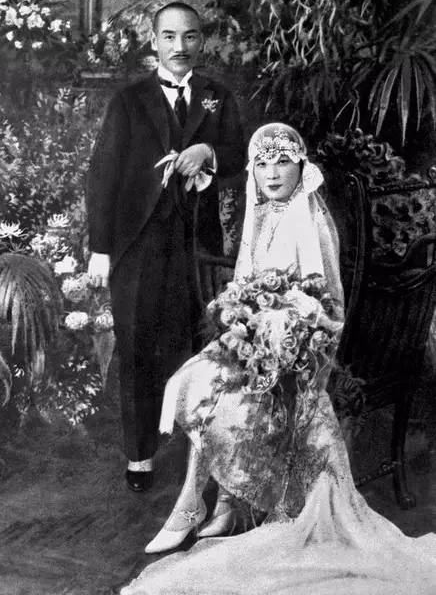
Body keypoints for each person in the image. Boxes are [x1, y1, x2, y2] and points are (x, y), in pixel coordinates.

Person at [121, 124, 436, 594]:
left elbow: (326, 306)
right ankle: (221, 501)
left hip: (301, 353)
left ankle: (195, 504)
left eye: (283, 161)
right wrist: (240, 314)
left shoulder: (310, 218)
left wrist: (278, 327)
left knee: (224, 397)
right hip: (259, 341)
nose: (272, 174)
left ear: (301, 167)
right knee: (189, 380)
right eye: (262, 163)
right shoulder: (261, 212)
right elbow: (245, 280)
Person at [85, 1, 245, 493]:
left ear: (202, 42)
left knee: (198, 344)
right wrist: (100, 249)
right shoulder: (129, 100)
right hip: (137, 243)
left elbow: (241, 155)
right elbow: (103, 175)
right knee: (137, 346)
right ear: (153, 42)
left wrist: (208, 152)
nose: (180, 46)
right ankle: (139, 456)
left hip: (194, 245)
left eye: (190, 36)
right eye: (169, 37)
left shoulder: (217, 96)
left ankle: (201, 455)